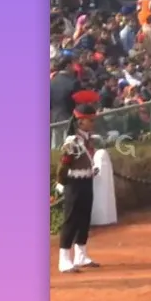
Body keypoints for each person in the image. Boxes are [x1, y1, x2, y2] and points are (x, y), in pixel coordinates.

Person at [56, 104, 101, 273]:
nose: (93, 123)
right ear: (80, 121)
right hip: (73, 183)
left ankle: (81, 254)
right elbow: (63, 165)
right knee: (71, 220)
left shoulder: (88, 139)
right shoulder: (72, 141)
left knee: (84, 218)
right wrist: (61, 182)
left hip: (86, 180)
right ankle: (64, 258)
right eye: (90, 120)